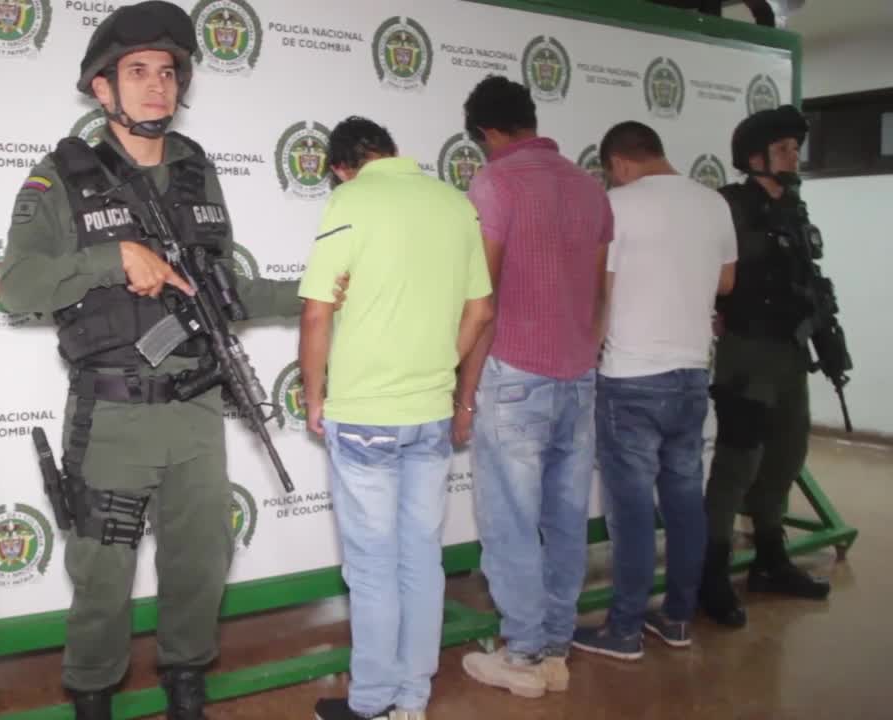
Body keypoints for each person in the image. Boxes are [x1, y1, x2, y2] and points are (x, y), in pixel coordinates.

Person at [0, 3, 317, 717]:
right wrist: (114, 258)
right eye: (137, 71)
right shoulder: (61, 180)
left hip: (197, 404)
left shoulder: (197, 174)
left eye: (168, 72)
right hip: (112, 412)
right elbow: (13, 286)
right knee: (103, 574)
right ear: (102, 89)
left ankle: (186, 683)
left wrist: (318, 292)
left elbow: (223, 289)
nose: (157, 86)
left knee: (200, 561)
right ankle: (92, 694)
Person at [297, 117, 494, 720]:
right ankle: (413, 697)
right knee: (420, 558)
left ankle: (372, 701)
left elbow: (315, 314)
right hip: (430, 409)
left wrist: (312, 396)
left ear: (341, 166)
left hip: (365, 415)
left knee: (373, 565)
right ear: (391, 151)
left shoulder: (350, 200)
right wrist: (440, 365)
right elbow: (482, 311)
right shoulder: (454, 202)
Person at [453, 75, 612, 698]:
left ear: (489, 133)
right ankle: (554, 648)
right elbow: (601, 293)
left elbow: (481, 298)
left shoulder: (494, 183)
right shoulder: (590, 187)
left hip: (516, 375)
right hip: (578, 377)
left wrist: (463, 390)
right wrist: (583, 351)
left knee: (512, 522)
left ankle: (521, 654)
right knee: (566, 518)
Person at [569, 121, 737, 661]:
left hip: (631, 378)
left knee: (633, 511)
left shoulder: (616, 205)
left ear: (618, 163)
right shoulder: (713, 203)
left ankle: (623, 630)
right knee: (687, 502)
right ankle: (678, 618)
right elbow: (727, 282)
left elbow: (602, 287)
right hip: (691, 373)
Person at [699, 105, 832, 629]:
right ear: (754, 158)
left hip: (788, 352)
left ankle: (771, 560)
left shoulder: (793, 210)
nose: (793, 156)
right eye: (783, 149)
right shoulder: (729, 206)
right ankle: (713, 573)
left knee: (787, 452)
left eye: (795, 148)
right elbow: (708, 269)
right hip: (747, 350)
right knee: (737, 463)